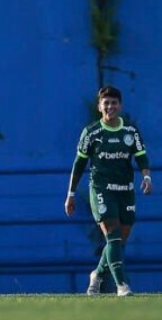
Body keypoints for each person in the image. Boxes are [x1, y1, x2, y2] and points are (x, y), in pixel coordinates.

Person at [64, 86, 152, 297]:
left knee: (119, 240)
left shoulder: (130, 131)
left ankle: (97, 274)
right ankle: (122, 285)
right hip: (101, 189)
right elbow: (79, 163)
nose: (110, 107)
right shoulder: (91, 132)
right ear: (99, 106)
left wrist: (146, 177)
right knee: (112, 237)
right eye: (106, 103)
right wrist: (71, 193)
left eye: (114, 103)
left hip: (126, 190)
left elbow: (141, 157)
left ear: (120, 105)